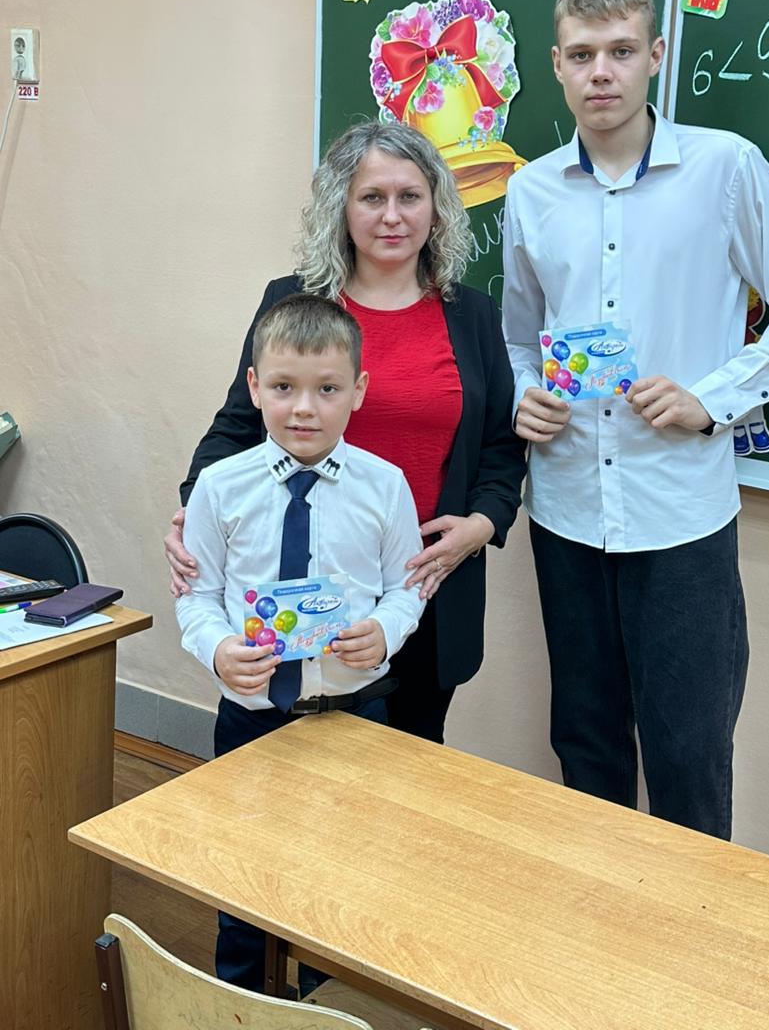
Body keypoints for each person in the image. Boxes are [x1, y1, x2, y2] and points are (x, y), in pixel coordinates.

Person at [501, 0, 769, 840]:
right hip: (568, 512)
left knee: (689, 758)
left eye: (621, 51)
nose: (602, 72)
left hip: (681, 516)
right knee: (585, 748)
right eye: (583, 55)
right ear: (556, 64)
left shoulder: (726, 168)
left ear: (655, 55)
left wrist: (712, 399)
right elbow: (517, 336)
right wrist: (523, 396)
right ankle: (601, 913)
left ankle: (694, 926)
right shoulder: (531, 191)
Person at [166, 120, 525, 744]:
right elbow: (237, 423)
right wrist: (193, 510)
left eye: (410, 196)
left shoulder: (471, 314)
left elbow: (500, 446)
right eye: (372, 197)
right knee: (279, 761)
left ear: (436, 206)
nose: (392, 216)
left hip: (423, 583)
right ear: (342, 206)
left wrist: (481, 526)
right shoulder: (294, 302)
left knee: (406, 763)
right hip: (293, 587)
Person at [177, 292, 425, 991]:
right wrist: (217, 650)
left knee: (339, 879)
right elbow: (196, 595)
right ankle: (242, 998)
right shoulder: (220, 487)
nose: (304, 409)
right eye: (284, 388)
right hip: (251, 717)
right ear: (254, 387)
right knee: (242, 872)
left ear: (358, 391)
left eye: (327, 390)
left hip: (352, 717)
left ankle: (322, 1002)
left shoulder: (385, 486)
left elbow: (407, 587)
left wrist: (384, 632)